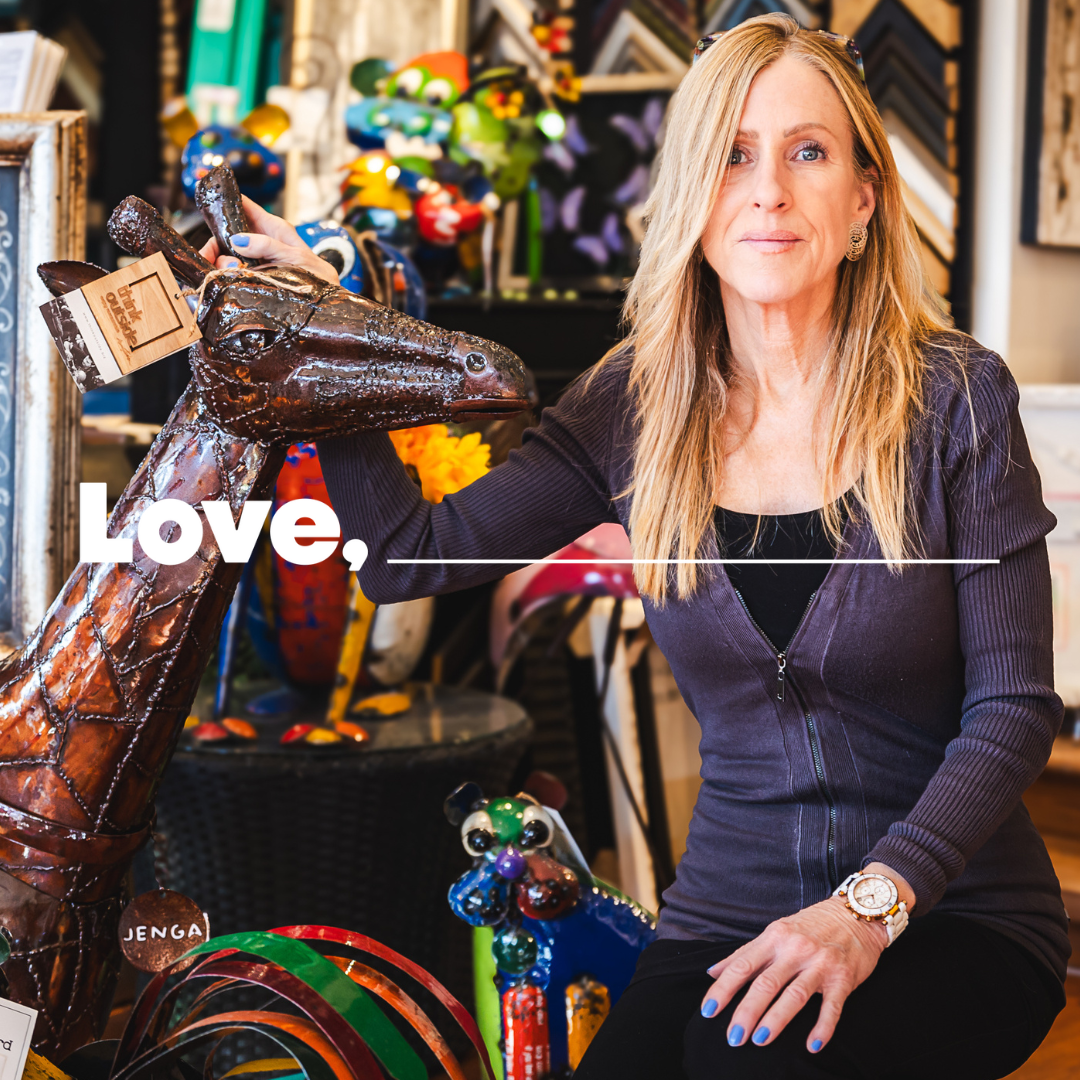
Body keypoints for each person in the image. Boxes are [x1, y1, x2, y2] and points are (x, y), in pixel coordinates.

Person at [203, 14, 1068, 1077]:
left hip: (951, 913)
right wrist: (322, 343)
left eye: (808, 152)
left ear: (862, 202)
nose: (768, 190)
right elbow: (405, 556)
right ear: (692, 197)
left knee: (753, 1062)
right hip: (729, 914)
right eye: (733, 155)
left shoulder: (956, 399)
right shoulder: (635, 406)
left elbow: (1014, 710)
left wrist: (864, 910)